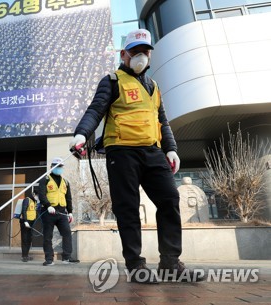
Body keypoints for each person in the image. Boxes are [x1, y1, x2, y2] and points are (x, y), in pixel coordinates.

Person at [69, 29, 202, 283]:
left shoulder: (154, 87)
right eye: (135, 51)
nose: (141, 56)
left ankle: (170, 263)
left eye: (145, 51)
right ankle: (136, 265)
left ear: (150, 55)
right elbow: (95, 110)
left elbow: (162, 120)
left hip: (153, 152)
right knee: (128, 208)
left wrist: (171, 149)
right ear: (124, 54)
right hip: (122, 152)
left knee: (169, 200)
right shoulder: (112, 80)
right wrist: (81, 135)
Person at [38, 157, 80, 266]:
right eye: (57, 166)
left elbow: (68, 198)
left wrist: (70, 212)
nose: (59, 168)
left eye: (61, 166)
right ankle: (49, 259)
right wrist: (48, 206)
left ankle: (67, 257)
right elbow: (41, 195)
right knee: (48, 236)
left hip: (62, 213)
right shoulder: (45, 179)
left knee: (67, 233)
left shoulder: (65, 182)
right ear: (52, 167)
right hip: (48, 212)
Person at [19, 189, 39, 262]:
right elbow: (23, 211)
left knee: (29, 239)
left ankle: (26, 255)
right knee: (25, 239)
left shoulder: (35, 201)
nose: (37, 197)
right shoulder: (27, 200)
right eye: (37, 195)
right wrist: (25, 221)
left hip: (31, 223)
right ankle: (24, 256)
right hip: (25, 223)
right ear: (34, 194)